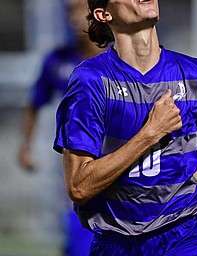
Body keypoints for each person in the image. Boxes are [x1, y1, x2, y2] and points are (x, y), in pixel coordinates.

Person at [53, 0, 197, 255]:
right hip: (117, 243)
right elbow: (79, 186)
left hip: (185, 235)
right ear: (104, 13)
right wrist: (150, 133)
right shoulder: (90, 81)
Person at [18, 0, 102, 255]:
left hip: (118, 155)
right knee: (78, 218)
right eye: (70, 10)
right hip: (75, 159)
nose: (76, 18)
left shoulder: (119, 58)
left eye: (81, 10)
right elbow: (34, 102)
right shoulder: (57, 61)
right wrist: (26, 146)